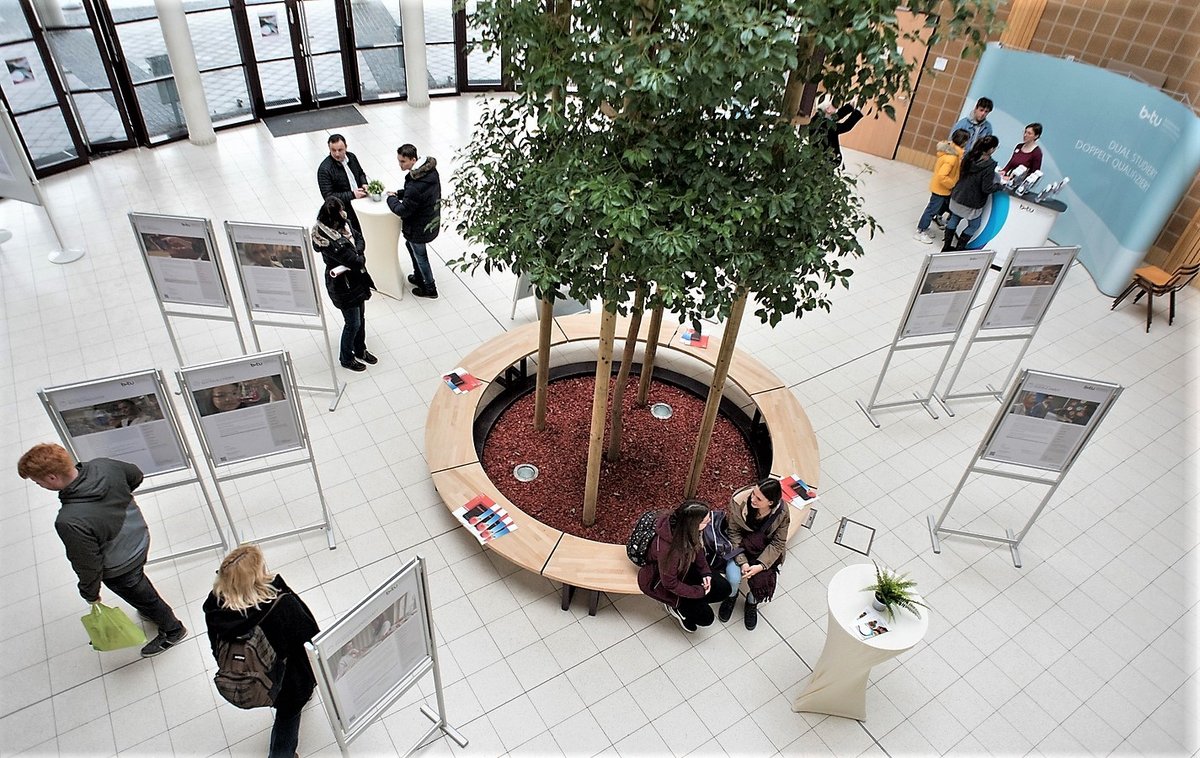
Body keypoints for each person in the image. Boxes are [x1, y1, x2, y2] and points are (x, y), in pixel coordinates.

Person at [17, 443, 187, 657]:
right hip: (140, 536)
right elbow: (135, 475)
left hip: (119, 565)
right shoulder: (105, 466)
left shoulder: (70, 520)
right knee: (141, 587)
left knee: (144, 596)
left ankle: (173, 629)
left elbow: (87, 563)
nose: (38, 485)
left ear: (52, 478)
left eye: (37, 481)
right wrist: (116, 501)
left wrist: (90, 593)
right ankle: (148, 611)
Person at [204, 545, 319, 758]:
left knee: (283, 706)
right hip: (288, 681)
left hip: (251, 675)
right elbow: (309, 637)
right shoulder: (280, 605)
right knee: (288, 717)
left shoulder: (215, 607)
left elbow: (215, 646)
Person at [637, 500, 733, 633]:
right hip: (660, 580)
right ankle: (677, 607)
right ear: (694, 525)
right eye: (706, 521)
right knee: (706, 618)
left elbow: (697, 548)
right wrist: (697, 592)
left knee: (724, 589)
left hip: (683, 567)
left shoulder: (684, 528)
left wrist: (705, 572)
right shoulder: (669, 551)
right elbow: (670, 584)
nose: (709, 522)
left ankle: (692, 603)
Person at [312, 196, 377, 371]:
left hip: (356, 281)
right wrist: (359, 256)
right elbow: (355, 262)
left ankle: (360, 350)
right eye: (340, 210)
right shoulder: (329, 242)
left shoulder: (345, 225)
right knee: (352, 323)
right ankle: (346, 358)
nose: (344, 212)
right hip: (343, 286)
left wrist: (358, 251)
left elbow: (359, 237)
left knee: (360, 319)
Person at [719, 478, 790, 631]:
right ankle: (731, 596)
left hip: (764, 551)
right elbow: (734, 534)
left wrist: (761, 565)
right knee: (733, 578)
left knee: (761, 584)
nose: (752, 499)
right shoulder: (739, 503)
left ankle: (751, 602)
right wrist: (743, 562)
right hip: (740, 548)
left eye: (759, 498)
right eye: (753, 494)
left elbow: (778, 543)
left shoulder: (782, 512)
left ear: (770, 502)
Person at [387, 143, 442, 298]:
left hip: (418, 227)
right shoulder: (430, 173)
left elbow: (402, 210)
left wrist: (391, 199)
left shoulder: (415, 185)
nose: (400, 164)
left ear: (413, 159)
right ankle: (419, 277)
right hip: (429, 220)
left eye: (403, 161)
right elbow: (417, 196)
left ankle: (430, 288)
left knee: (421, 255)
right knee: (410, 245)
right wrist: (399, 193)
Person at [942, 135, 1003, 251]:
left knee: (954, 218)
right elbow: (986, 188)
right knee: (974, 225)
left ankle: (946, 246)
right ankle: (960, 248)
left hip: (958, 195)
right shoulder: (990, 165)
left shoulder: (969, 156)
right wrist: (999, 186)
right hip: (972, 202)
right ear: (991, 149)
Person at [914, 129, 969, 244]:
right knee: (931, 210)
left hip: (941, 188)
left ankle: (924, 228)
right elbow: (942, 176)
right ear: (964, 142)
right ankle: (921, 230)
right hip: (941, 189)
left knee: (934, 209)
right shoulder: (952, 158)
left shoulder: (951, 152)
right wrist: (952, 184)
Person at [316, 134, 369, 233]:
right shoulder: (325, 169)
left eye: (340, 150)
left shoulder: (352, 157)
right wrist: (352, 194)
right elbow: (328, 196)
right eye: (333, 150)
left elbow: (360, 173)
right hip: (345, 210)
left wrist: (364, 183)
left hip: (361, 202)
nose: (337, 154)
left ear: (346, 147)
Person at [815, 101, 864, 165]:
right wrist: (857, 112)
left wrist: (850, 107)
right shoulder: (827, 126)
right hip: (827, 159)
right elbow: (845, 126)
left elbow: (836, 116)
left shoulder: (817, 119)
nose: (836, 108)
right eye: (833, 106)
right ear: (828, 110)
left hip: (818, 156)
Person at [201, 378, 286, 414]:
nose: (228, 399)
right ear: (210, 398)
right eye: (221, 396)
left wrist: (271, 387)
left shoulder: (252, 409)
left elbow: (276, 409)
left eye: (234, 393)